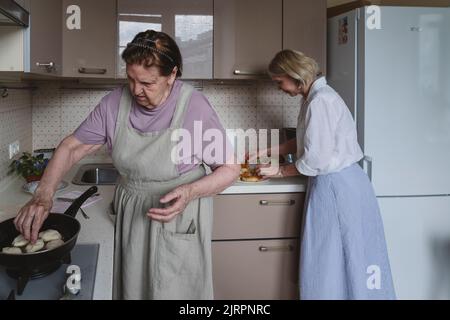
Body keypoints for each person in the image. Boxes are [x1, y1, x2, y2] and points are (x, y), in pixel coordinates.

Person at [13, 30, 240, 300]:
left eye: (147, 82)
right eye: (130, 79)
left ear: (172, 75)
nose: (136, 90)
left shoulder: (194, 106)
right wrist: (43, 195)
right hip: (132, 211)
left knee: (176, 290)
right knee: (133, 288)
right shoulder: (114, 103)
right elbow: (72, 147)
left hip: (178, 213)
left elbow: (229, 169)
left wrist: (191, 192)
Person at [255, 49, 396, 300]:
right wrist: (270, 150)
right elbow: (307, 142)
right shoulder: (315, 97)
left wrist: (280, 171)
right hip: (343, 184)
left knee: (332, 257)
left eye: (279, 81)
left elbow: (315, 159)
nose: (279, 88)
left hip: (337, 187)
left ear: (294, 74)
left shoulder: (320, 101)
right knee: (349, 255)